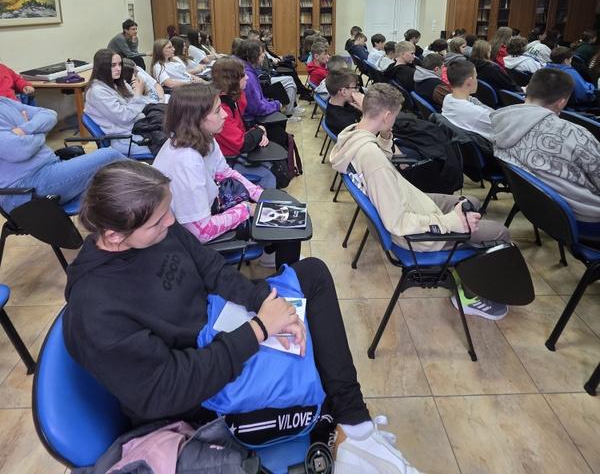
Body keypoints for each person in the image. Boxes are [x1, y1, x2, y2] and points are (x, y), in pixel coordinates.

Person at [62, 161, 421, 474]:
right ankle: (353, 431)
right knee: (312, 361)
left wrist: (266, 301)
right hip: (193, 388)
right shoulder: (95, 311)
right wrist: (259, 329)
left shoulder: (157, 230)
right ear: (114, 235)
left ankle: (355, 427)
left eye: (168, 211)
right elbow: (167, 388)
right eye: (158, 221)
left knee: (312, 274)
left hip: (218, 327)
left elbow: (212, 269)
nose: (171, 221)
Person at [330, 84, 509, 319]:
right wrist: (449, 223)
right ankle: (470, 295)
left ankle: (464, 266)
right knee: (501, 233)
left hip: (410, 201)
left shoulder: (353, 135)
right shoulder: (373, 162)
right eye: (394, 117)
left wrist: (386, 134)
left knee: (471, 201)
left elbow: (382, 158)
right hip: (415, 234)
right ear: (387, 115)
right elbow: (397, 222)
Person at [491, 68, 600, 235]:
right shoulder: (576, 136)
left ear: (528, 89)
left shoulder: (501, 122)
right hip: (584, 220)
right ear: (561, 102)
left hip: (544, 213)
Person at [152, 83, 265, 244]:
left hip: (210, 205)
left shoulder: (204, 137)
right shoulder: (186, 161)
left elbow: (224, 172)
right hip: (187, 237)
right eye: (218, 111)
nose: (224, 115)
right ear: (196, 118)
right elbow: (201, 232)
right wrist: (245, 209)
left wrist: (260, 195)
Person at [0, 97, 121, 212]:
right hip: (24, 188)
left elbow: (50, 114)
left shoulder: (4, 102)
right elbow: (19, 150)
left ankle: (123, 220)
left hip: (49, 169)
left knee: (111, 183)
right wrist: (41, 132)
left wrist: (25, 130)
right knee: (111, 156)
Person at [211, 56, 276, 190]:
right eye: (243, 75)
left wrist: (257, 130)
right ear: (231, 80)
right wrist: (260, 130)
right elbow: (242, 144)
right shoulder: (221, 110)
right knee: (269, 176)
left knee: (272, 163)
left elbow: (241, 125)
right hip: (228, 158)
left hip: (236, 148)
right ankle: (262, 201)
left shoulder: (235, 97)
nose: (247, 78)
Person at [85, 49, 151, 154]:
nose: (118, 69)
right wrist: (138, 93)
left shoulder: (118, 83)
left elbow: (141, 106)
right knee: (170, 144)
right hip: (126, 139)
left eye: (120, 64)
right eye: (113, 65)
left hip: (140, 127)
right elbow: (125, 117)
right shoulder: (97, 91)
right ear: (102, 68)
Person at [441, 58, 494, 140]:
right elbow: (504, 129)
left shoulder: (447, 99)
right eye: (476, 77)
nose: (477, 80)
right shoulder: (479, 114)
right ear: (469, 82)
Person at [237, 39, 283, 123]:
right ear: (253, 56)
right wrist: (276, 105)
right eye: (261, 53)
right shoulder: (248, 77)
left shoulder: (247, 69)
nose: (264, 55)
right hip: (252, 119)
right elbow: (257, 108)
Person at [325, 69, 363, 136]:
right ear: (344, 91)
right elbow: (364, 136)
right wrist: (366, 111)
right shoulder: (345, 122)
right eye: (355, 87)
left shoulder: (334, 101)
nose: (357, 90)